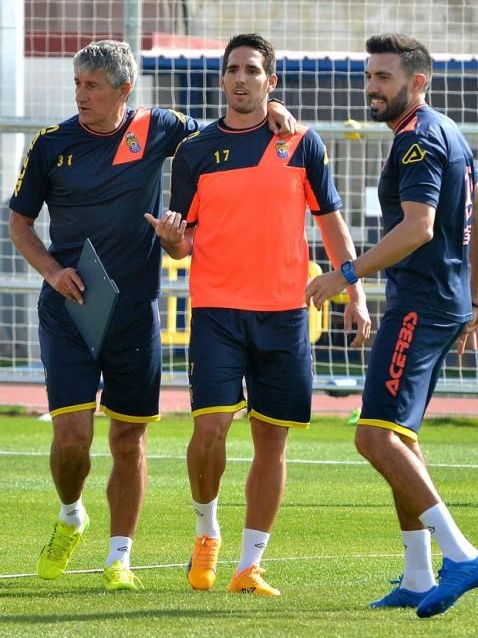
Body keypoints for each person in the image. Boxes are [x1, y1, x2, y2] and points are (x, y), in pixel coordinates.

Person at [8, 39, 295, 591]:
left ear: (124, 90)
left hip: (135, 311)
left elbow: (225, 130)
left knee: (126, 439)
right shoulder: (50, 145)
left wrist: (271, 114)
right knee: (71, 437)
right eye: (77, 84)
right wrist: (50, 271)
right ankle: (71, 516)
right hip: (69, 308)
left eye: (92, 85)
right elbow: (20, 222)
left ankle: (120, 558)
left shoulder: (158, 126)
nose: (80, 95)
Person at [146, 32, 371, 596]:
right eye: (232, 70)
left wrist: (355, 291)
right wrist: (174, 240)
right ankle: (206, 533)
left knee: (274, 442)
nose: (241, 78)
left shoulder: (301, 142)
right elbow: (184, 243)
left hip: (286, 315)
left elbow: (330, 221)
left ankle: (249, 566)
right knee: (210, 429)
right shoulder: (195, 151)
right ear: (221, 80)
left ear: (271, 82)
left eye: (252, 70)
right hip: (218, 311)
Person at [306, 33, 478, 618]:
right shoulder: (448, 130)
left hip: (419, 304)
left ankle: (462, 555)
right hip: (444, 303)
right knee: (401, 439)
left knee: (373, 436)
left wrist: (346, 274)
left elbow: (417, 227)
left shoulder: (417, 139)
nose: (371, 87)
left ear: (418, 82)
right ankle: (417, 576)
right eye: (368, 76)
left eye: (383, 78)